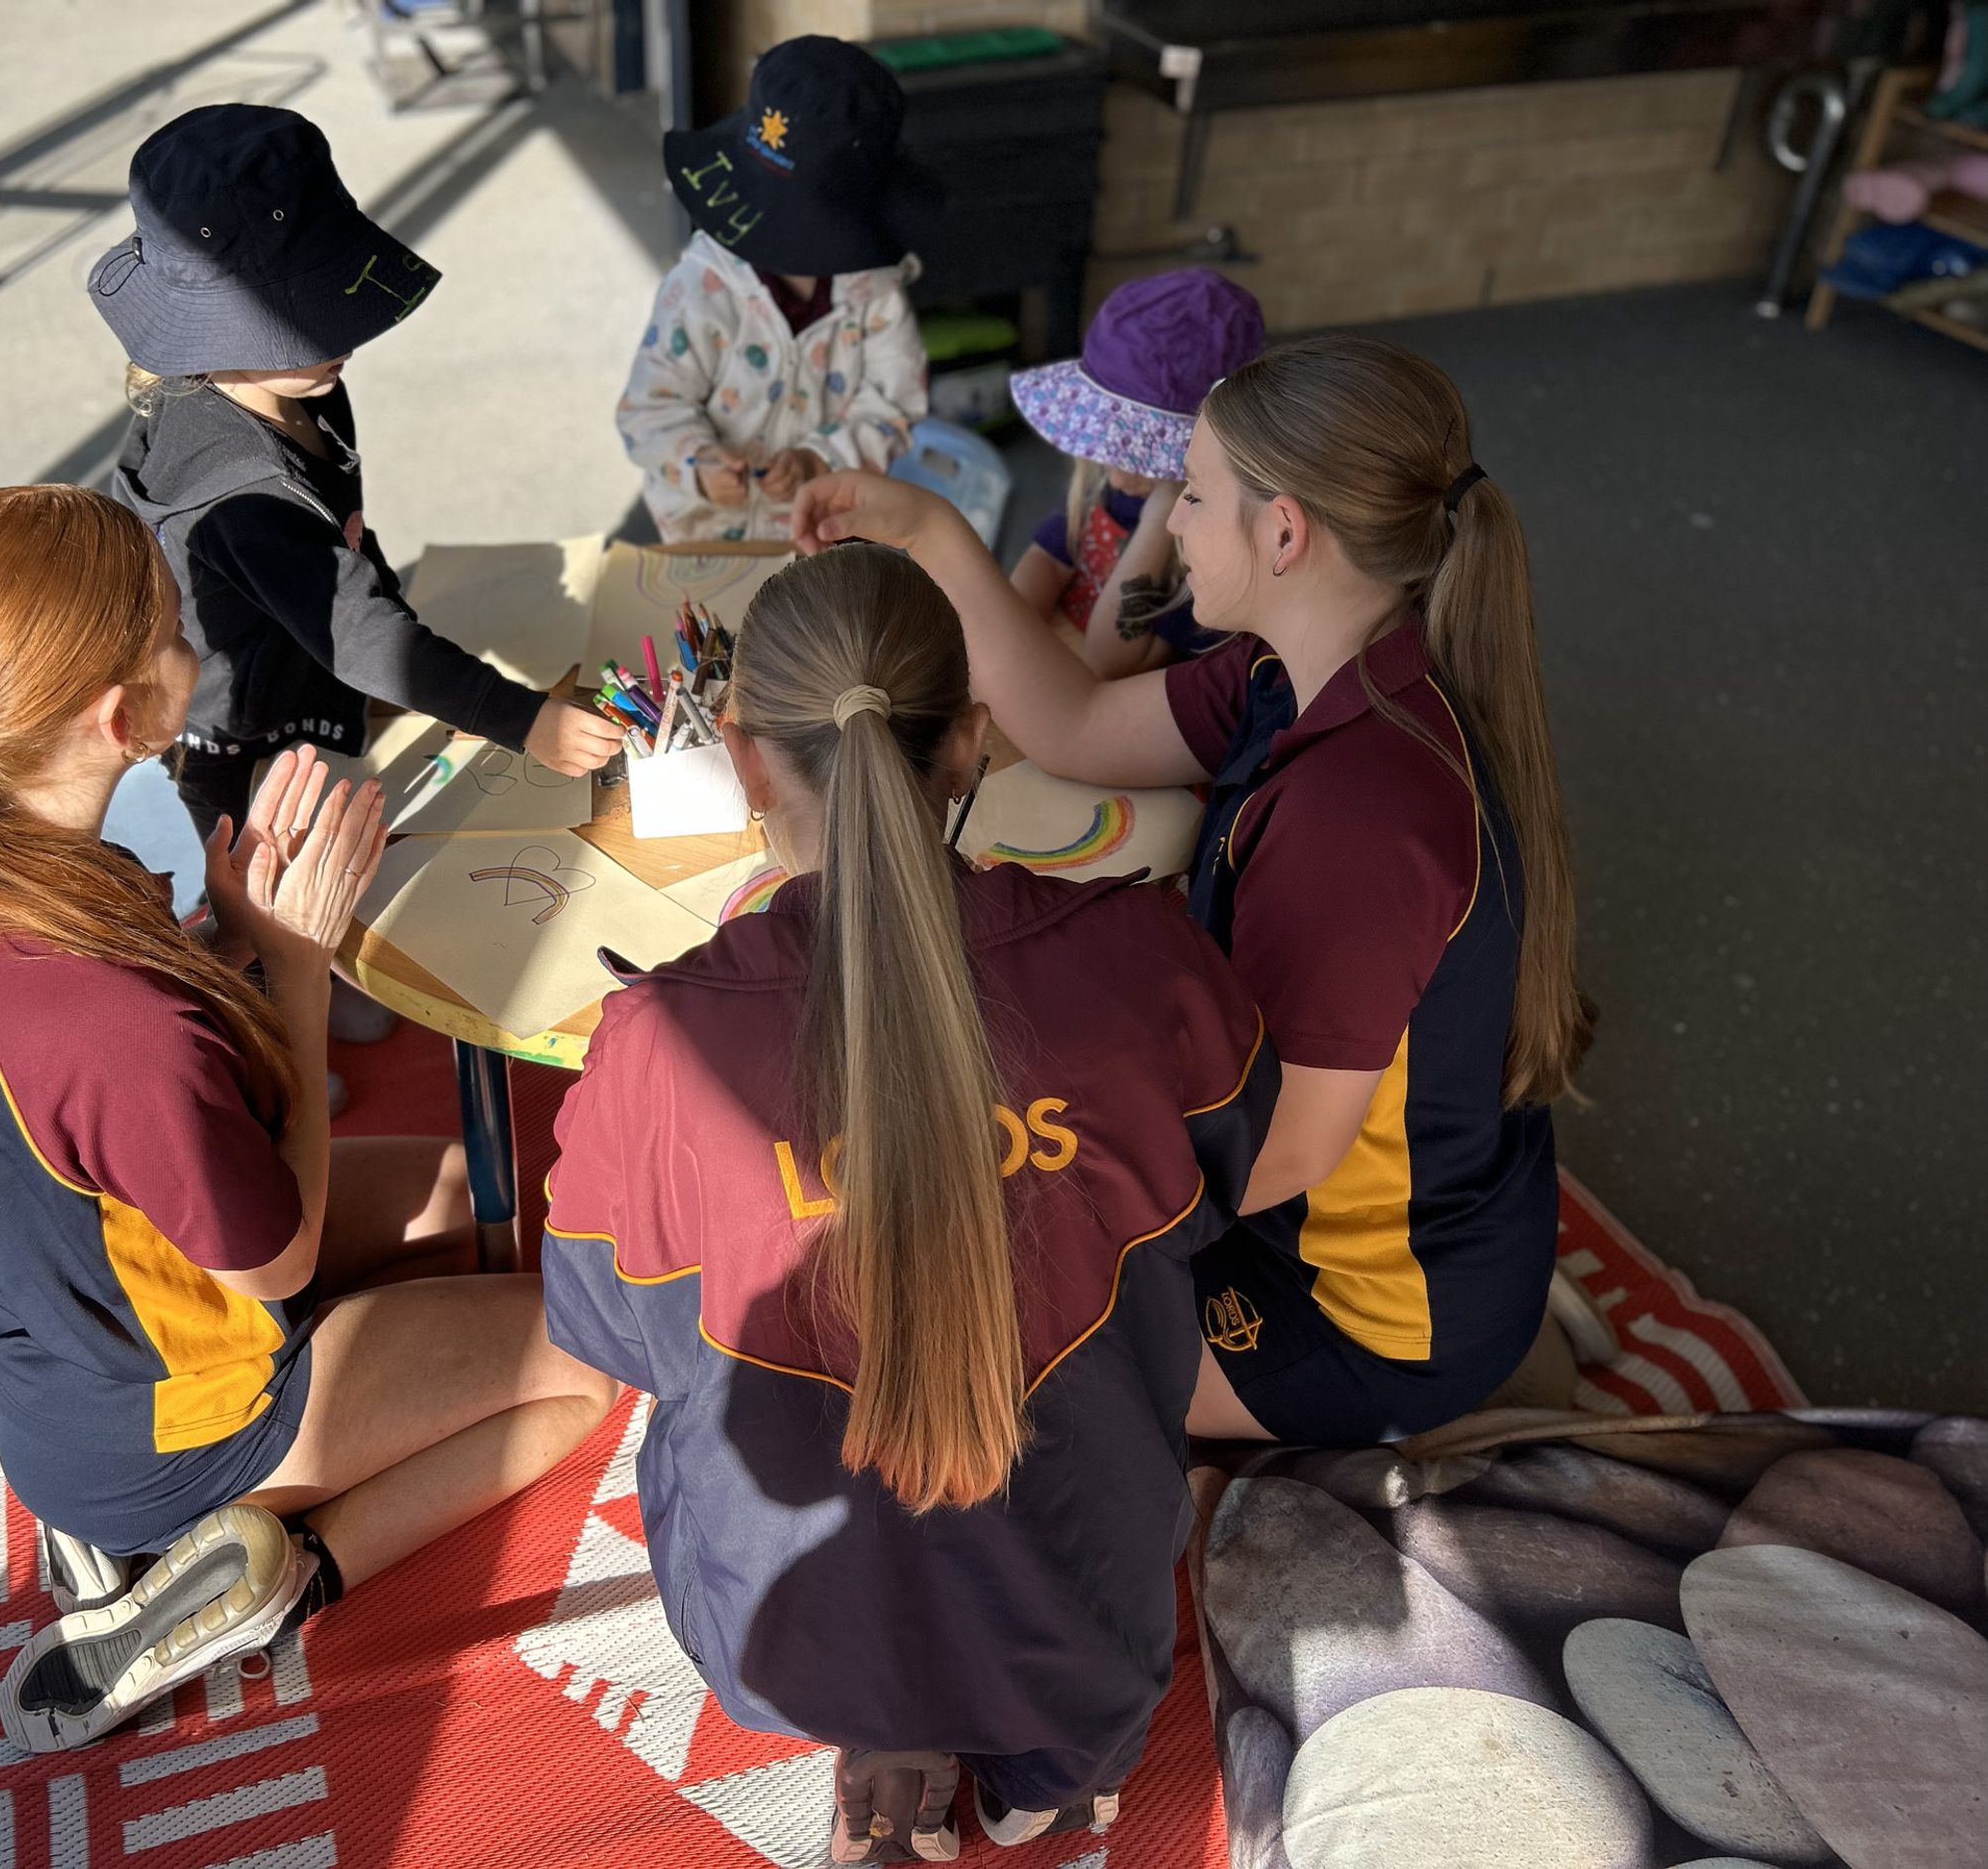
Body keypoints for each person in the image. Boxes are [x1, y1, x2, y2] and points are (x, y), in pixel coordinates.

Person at [540, 545, 1276, 1860]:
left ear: (746, 761)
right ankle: (1057, 1775)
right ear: (973, 743)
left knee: (701, 1400)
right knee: (1118, 1367)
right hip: (1087, 1623)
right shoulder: (1145, 956)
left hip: (792, 1641)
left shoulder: (653, 1045)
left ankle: (882, 1736)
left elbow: (608, 1335)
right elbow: (1235, 1187)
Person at [0, 485, 616, 1751]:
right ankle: (277, 1575)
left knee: (458, 1189)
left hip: (35, 1334)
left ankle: (129, 1516)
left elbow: (80, 1086)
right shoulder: (114, 1027)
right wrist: (298, 964)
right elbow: (278, 1259)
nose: (195, 645)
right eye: (173, 630)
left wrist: (229, 939)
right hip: (164, 1416)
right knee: (586, 1365)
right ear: (120, 717)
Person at [793, 333, 1592, 1446]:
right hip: (1401, 1211)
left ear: (1283, 533)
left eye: (1196, 495)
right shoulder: (1304, 667)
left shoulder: (1356, 821)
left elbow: (1282, 1154)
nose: (1169, 525)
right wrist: (927, 528)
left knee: (939, 1351)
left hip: (1359, 1314)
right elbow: (1073, 722)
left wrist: (1020, 1185)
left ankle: (1447, 1389)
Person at [91, 103, 617, 838]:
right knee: (273, 889)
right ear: (227, 333)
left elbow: (342, 558)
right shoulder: (240, 493)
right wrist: (521, 719)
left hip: (308, 672)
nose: (345, 337)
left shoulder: (302, 385)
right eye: (316, 318)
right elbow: (360, 635)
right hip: (246, 746)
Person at [616, 36, 929, 544]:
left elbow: (894, 408)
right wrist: (698, 463)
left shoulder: (877, 296)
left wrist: (818, 459)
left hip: (825, 537)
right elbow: (648, 409)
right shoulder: (700, 288)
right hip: (705, 538)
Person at [1006, 269, 1263, 674]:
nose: (1117, 479)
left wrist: (1159, 515)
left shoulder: (1209, 555)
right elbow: (1047, 560)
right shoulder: (1106, 486)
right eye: (1111, 449)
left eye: (1143, 461)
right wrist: (1012, 633)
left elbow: (1109, 662)